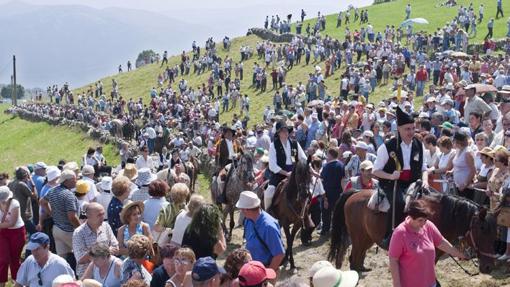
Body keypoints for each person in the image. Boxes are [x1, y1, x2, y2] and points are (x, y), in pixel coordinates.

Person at [373, 107, 428, 248]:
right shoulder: (387, 147)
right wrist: (391, 176)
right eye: (407, 129)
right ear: (399, 129)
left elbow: (424, 169)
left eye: (413, 128)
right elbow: (376, 171)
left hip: (414, 182)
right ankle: (390, 236)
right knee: (399, 202)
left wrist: (426, 181)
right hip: (392, 183)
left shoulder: (419, 145)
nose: (411, 132)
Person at [389, 200, 466, 287]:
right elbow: (393, 260)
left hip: (431, 283)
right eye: (420, 220)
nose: (423, 224)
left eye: (425, 220)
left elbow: (441, 242)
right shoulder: (400, 233)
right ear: (410, 217)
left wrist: (460, 254)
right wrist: (397, 285)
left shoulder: (428, 226)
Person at [39, 169, 80, 268]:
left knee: (61, 261)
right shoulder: (69, 195)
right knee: (82, 256)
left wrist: (52, 213)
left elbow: (42, 202)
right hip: (68, 231)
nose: (76, 181)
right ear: (67, 181)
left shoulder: (52, 190)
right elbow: (72, 217)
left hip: (57, 230)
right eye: (74, 179)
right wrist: (81, 228)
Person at [236, 191, 285, 272]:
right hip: (253, 268)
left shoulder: (269, 227)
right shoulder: (248, 221)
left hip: (265, 269)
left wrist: (267, 275)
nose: (241, 211)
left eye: (241, 208)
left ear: (245, 210)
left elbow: (279, 255)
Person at [265, 120, 307, 210]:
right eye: (283, 130)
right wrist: (286, 173)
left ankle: (306, 214)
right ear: (278, 133)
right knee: (269, 191)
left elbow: (304, 159)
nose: (286, 132)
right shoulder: (273, 145)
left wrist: (310, 169)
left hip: (295, 173)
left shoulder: (295, 143)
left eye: (287, 130)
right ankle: (267, 211)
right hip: (279, 174)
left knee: (307, 189)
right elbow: (272, 165)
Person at [72, 203, 119, 277]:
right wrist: (105, 251)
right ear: (88, 216)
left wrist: (94, 254)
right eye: (99, 215)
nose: (102, 217)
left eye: (103, 214)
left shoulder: (106, 226)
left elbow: (116, 248)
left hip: (107, 273)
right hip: (88, 276)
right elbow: (81, 259)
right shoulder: (79, 233)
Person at [0, 186, 26, 287]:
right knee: (3, 259)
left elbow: (12, 223)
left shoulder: (15, 203)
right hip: (3, 233)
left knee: (15, 259)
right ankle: (1, 283)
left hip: (17, 232)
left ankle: (18, 282)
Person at [320, 147, 344, 236]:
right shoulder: (341, 165)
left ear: (330, 155)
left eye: (327, 154)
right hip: (338, 193)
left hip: (328, 193)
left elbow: (323, 180)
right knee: (337, 213)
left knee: (326, 213)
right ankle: (337, 230)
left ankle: (325, 230)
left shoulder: (326, 166)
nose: (326, 156)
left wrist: (325, 198)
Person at [449, 131, 476, 200]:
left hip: (466, 188)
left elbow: (473, 170)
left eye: (454, 140)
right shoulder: (458, 150)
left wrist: (465, 185)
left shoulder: (468, 153)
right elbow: (457, 165)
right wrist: (452, 171)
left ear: (458, 141)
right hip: (458, 186)